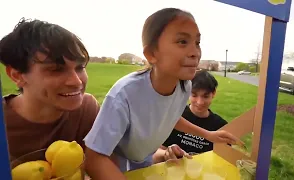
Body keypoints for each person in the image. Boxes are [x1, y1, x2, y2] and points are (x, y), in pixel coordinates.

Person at [84, 8, 243, 180]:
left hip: (143, 158)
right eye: (183, 41)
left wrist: (208, 135)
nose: (195, 52)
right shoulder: (124, 95)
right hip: (114, 162)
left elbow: (171, 116)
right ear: (152, 54)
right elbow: (94, 158)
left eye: (197, 43)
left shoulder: (184, 86)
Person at [0, 18, 100, 161]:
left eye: (80, 68)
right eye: (56, 70)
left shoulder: (86, 109)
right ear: (17, 76)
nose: (76, 81)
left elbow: (98, 163)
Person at [157, 70, 228, 162]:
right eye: (194, 95)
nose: (200, 102)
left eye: (205, 96)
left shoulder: (220, 126)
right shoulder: (175, 116)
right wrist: (166, 153)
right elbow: (156, 152)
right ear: (187, 92)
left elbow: (223, 160)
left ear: (213, 93)